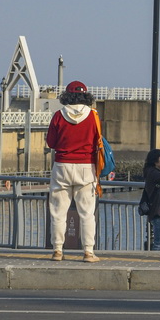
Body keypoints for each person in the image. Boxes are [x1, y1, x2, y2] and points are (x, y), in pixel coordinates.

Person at [45, 80, 103, 262]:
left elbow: (51, 143)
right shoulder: (93, 115)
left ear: (67, 96)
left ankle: (57, 250)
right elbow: (97, 141)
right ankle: (88, 252)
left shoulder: (58, 116)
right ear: (86, 96)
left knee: (58, 212)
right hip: (86, 166)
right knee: (87, 213)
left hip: (62, 165)